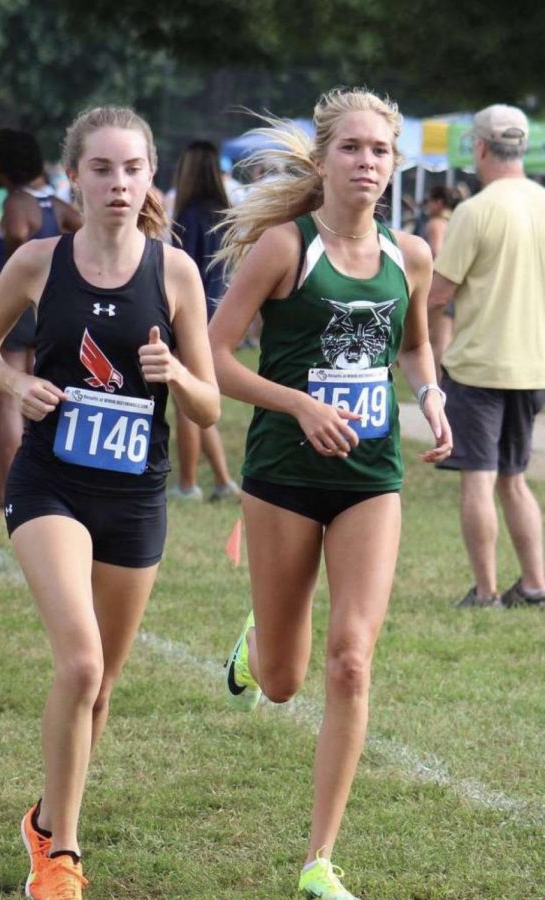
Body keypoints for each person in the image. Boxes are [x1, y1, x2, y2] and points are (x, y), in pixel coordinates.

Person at [0, 106, 219, 899]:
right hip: (50, 484)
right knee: (80, 661)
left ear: (152, 176)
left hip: (135, 496)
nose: (117, 183)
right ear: (74, 175)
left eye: (132, 168)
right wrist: (16, 382)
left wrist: (175, 374)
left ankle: (45, 816)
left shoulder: (173, 272)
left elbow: (209, 409)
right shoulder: (40, 261)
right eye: (101, 168)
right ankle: (61, 858)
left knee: (102, 686)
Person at [208, 88, 452, 898]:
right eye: (351, 148)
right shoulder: (285, 247)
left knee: (351, 659)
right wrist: (300, 404)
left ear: (395, 165)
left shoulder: (408, 255)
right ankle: (258, 648)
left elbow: (415, 350)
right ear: (323, 161)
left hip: (370, 479)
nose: (367, 163)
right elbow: (214, 358)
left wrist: (433, 397)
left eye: (380, 150)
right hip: (282, 475)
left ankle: (318, 861)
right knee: (285, 680)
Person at [427, 104, 545, 609]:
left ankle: (486, 590)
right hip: (533, 363)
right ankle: (536, 586)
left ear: (479, 148)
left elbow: (438, 291)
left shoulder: (475, 211)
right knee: (514, 478)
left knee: (478, 479)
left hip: (478, 363)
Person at [0, 128, 82, 512]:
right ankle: (30, 487)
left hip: (17, 313)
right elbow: (86, 233)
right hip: (49, 312)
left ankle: (5, 494)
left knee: (7, 404)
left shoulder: (16, 203)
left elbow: (18, 236)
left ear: (2, 167)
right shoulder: (55, 204)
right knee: (39, 403)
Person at [169, 140, 240, 501]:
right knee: (201, 399)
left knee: (186, 398)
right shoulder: (225, 213)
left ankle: (186, 484)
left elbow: (181, 271)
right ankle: (224, 482)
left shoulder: (191, 216)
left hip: (193, 317)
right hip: (221, 315)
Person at [422, 186, 457, 379]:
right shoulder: (455, 221)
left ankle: (437, 382)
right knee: (448, 337)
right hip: (455, 283)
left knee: (437, 341)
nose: (427, 206)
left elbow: (436, 251)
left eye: (429, 201)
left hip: (439, 282)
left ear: (438, 203)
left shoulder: (435, 223)